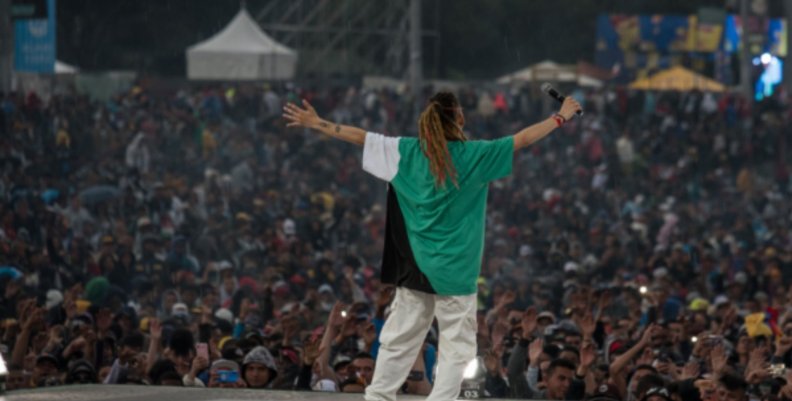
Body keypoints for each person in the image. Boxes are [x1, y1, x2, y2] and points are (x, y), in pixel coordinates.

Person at [283, 91, 581, 401]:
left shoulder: (406, 151)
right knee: (456, 350)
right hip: (457, 273)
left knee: (399, 342)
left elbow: (362, 138)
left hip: (415, 267)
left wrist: (319, 123)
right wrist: (560, 116)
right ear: (460, 119)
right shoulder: (475, 155)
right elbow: (522, 140)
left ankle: (378, 397)